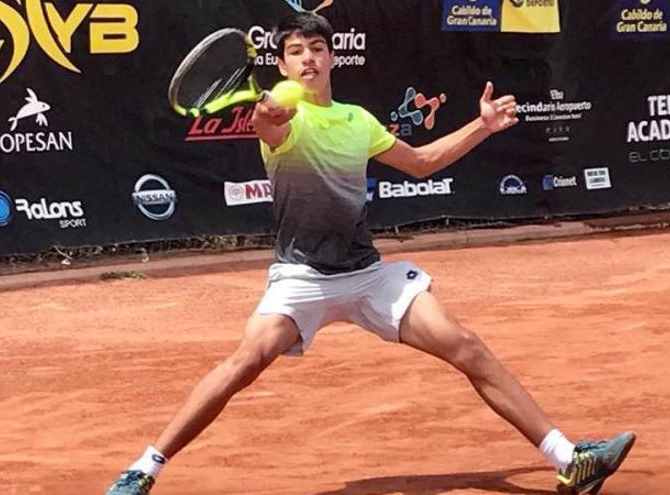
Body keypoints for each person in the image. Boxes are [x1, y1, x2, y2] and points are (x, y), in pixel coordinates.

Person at [105, 12, 635, 495]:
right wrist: (269, 113)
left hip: (366, 274)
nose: (308, 58)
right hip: (302, 277)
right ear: (282, 63)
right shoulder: (278, 119)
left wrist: (483, 125)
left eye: (317, 47)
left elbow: (422, 162)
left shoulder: (359, 120)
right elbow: (271, 125)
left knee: (466, 345)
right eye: (295, 51)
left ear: (332, 57)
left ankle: (570, 459)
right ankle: (143, 469)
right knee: (246, 360)